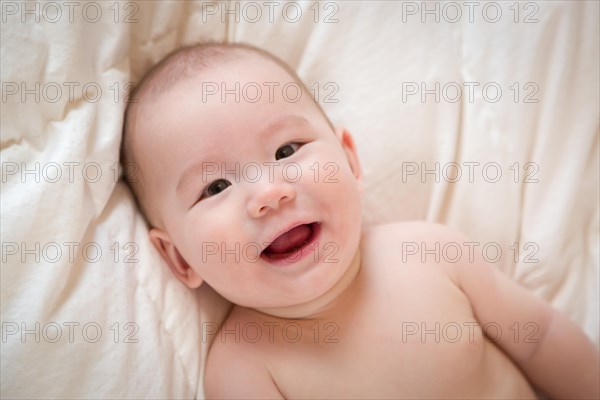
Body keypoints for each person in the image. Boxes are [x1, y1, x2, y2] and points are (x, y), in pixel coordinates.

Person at [121, 42, 599, 399]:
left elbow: (541, 339)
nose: (269, 193)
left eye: (286, 150)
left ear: (350, 162)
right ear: (179, 258)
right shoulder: (244, 368)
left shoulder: (428, 253)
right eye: (216, 187)